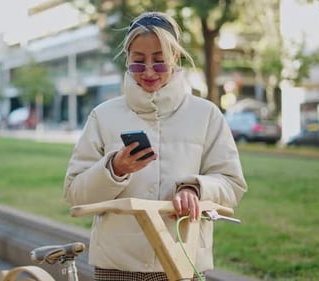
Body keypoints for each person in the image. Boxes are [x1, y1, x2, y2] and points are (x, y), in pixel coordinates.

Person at [63, 11, 247, 281]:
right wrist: (113, 169)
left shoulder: (206, 114)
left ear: (175, 57)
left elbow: (232, 184)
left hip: (184, 263)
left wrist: (194, 188)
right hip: (118, 267)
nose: (149, 71)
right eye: (138, 62)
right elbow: (74, 192)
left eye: (159, 62)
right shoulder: (103, 116)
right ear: (127, 59)